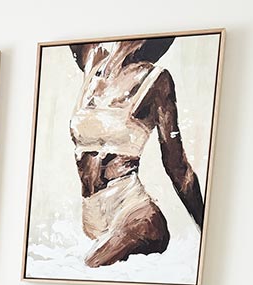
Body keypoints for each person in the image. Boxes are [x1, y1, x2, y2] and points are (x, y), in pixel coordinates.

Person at [68, 37, 204, 268]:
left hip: (135, 213)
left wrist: (209, 228)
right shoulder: (94, 61)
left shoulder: (156, 80)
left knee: (85, 269)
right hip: (92, 214)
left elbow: (177, 166)